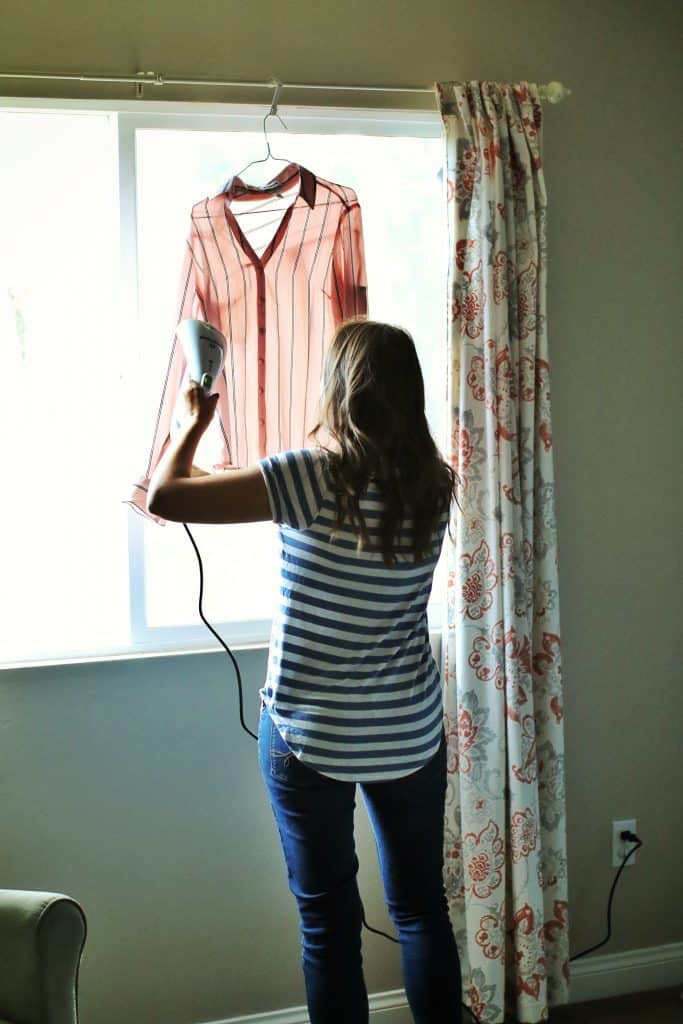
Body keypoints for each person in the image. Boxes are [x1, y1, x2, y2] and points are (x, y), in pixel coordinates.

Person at [147, 317, 463, 1024]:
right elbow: (213, 492)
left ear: (339, 390)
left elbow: (169, 494)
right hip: (407, 734)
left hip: (308, 736)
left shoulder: (308, 476)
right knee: (421, 910)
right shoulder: (434, 486)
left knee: (327, 923)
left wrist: (193, 423)